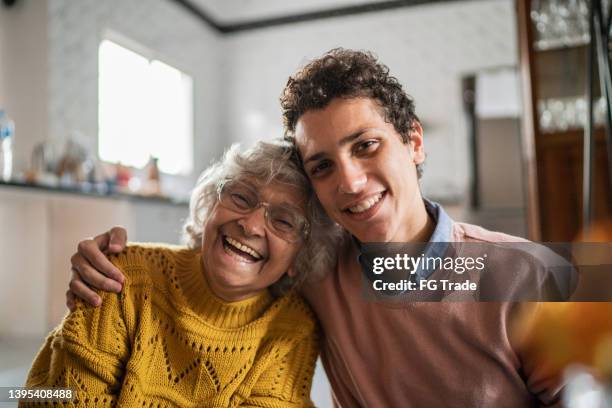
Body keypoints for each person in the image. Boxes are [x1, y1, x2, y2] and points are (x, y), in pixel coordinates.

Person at [67, 49, 563, 406]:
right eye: (322, 165)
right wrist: (111, 262)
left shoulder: (530, 270)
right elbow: (38, 391)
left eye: (366, 145)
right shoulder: (318, 267)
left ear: (414, 142)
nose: (349, 181)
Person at [23, 140, 340, 407]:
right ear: (211, 204)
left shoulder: (291, 327)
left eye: (284, 221)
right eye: (241, 197)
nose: (251, 224)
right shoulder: (122, 278)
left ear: (301, 256)